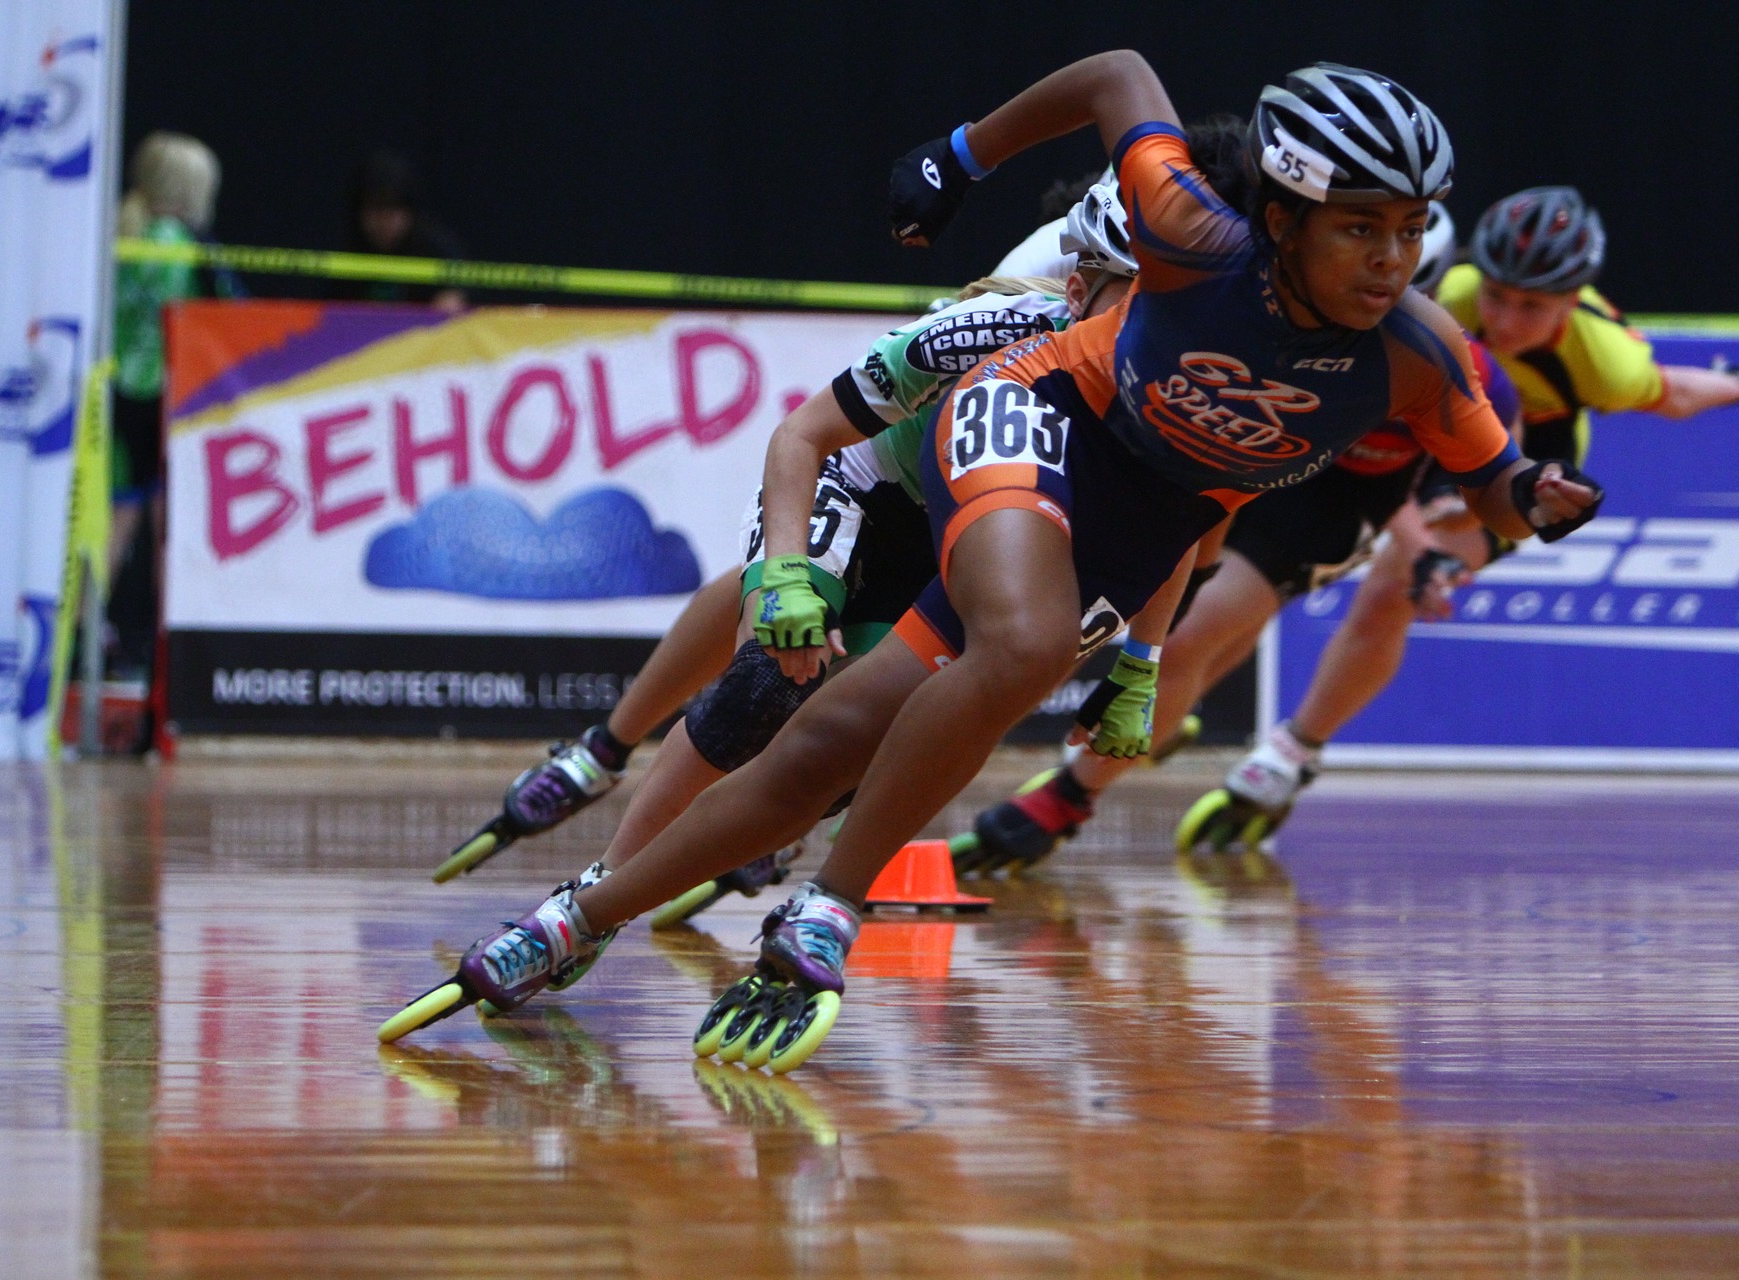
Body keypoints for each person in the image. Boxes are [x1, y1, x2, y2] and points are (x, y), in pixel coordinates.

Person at [384, 52, 1605, 1068]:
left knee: (837, 740)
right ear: (1279, 220)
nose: (1390, 260)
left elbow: (1469, 480)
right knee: (988, 651)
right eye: (1358, 230)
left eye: (1406, 232)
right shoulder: (1177, 234)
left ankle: (569, 920)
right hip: (1029, 411)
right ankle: (821, 912)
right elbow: (1122, 74)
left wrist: (1531, 498)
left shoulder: (1422, 356)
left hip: (1141, 514)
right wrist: (960, 154)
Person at [421, 183, 1144, 905]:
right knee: (767, 672)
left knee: (863, 740)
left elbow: (1179, 534)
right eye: (1137, 301)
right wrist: (789, 573)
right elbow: (806, 433)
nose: (1152, 326)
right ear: (1080, 289)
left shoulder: (1180, 374)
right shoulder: (1021, 306)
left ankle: (762, 818)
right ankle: (603, 812)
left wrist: (1143, 662)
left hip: (956, 527)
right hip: (868, 473)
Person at [1193, 185, 1739, 848]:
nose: (1503, 320)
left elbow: (1674, 394)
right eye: (1497, 295)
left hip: (1519, 461)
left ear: (1574, 302)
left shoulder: (1606, 360)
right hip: (1414, 429)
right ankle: (1186, 686)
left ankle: (1290, 755)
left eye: (1531, 307)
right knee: (1278, 561)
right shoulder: (1444, 290)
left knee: (1396, 584)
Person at [951, 202, 1526, 872]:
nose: (1363, 321)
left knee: (1187, 637)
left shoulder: (1459, 364)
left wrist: (1428, 546)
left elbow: (1484, 474)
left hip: (1330, 501)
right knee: (1159, 612)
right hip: (1250, 456)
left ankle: (1068, 799)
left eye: (1394, 304)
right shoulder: (1265, 303)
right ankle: (1167, 708)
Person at [109, 132, 241, 682]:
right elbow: (221, 312)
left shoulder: (123, 231)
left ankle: (82, 645)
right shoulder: (173, 241)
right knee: (166, 529)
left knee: (115, 521)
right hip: (162, 397)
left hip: (117, 394)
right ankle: (172, 668)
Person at [330, 150, 468, 311]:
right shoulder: (345, 256)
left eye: (394, 209)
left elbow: (455, 299)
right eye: (375, 209)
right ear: (359, 212)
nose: (384, 222)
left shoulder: (436, 251)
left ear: (411, 212)